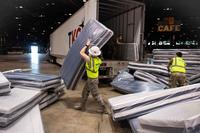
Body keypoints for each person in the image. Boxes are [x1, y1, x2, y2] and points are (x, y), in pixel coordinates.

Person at [74, 39, 106, 113]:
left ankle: (104, 109)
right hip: (92, 79)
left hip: (92, 80)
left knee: (96, 95)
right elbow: (93, 54)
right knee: (85, 93)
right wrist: (91, 48)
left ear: (91, 54)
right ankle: (82, 106)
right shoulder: (99, 60)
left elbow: (81, 52)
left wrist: (87, 45)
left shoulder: (89, 59)